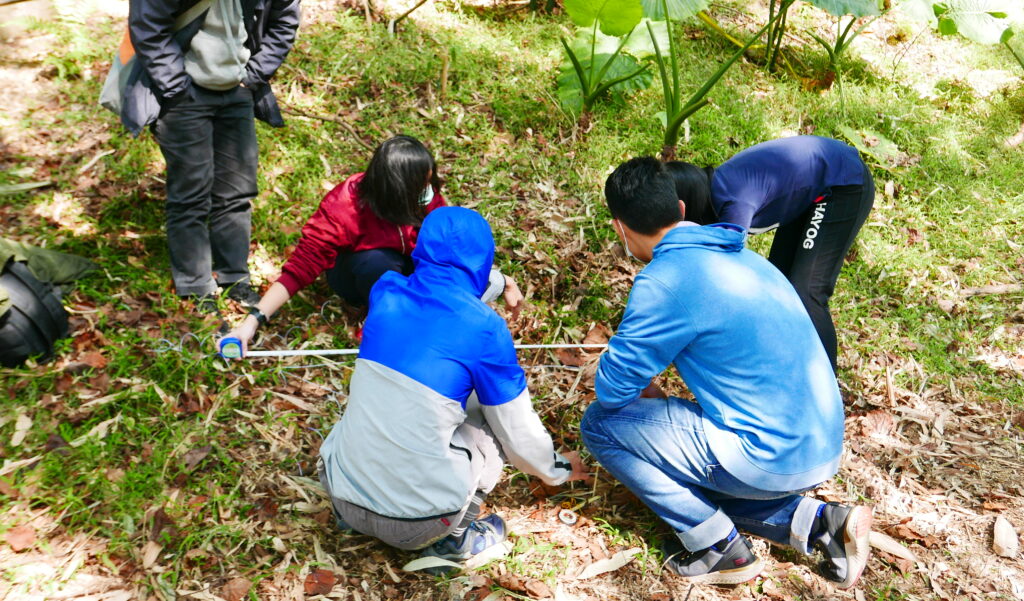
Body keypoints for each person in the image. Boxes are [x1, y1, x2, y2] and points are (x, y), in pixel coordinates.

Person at [580, 157, 871, 587]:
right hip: (821, 445)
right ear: (681, 211)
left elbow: (611, 390)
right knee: (687, 463)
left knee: (600, 426)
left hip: (765, 456)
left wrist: (618, 365)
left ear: (620, 228)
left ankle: (718, 547)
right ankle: (819, 522)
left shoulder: (663, 281)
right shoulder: (744, 258)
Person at [317, 206, 590, 565]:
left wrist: (502, 282)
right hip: (415, 525)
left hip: (340, 494)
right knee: (492, 425)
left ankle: (363, 513)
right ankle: (455, 541)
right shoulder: (485, 329)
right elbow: (519, 434)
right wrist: (559, 470)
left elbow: (441, 283)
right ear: (482, 261)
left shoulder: (385, 291)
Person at [124, 0, 301, 314]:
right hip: (185, 93)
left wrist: (253, 75)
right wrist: (176, 87)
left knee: (236, 190)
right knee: (191, 191)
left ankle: (235, 277)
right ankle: (195, 286)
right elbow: (148, 24)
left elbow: (286, 18)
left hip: (236, 88)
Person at [221, 135, 523, 349]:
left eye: (431, 183)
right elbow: (300, 267)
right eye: (422, 187)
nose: (429, 193)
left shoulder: (427, 198)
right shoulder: (344, 206)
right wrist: (253, 320)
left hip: (407, 266)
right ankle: (380, 316)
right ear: (398, 190)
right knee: (378, 264)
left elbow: (449, 250)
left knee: (428, 269)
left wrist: (501, 280)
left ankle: (415, 309)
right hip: (359, 272)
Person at [666, 135, 874, 370]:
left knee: (806, 293)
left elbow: (727, 277)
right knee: (780, 287)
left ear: (686, 206)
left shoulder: (734, 202)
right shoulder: (714, 192)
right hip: (811, 189)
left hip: (843, 182)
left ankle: (828, 393)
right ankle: (788, 371)